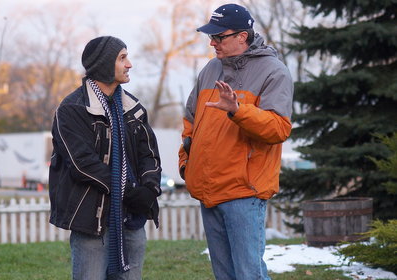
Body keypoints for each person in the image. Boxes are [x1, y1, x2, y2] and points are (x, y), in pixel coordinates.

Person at [178, 4, 293, 280]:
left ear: (242, 36)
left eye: (219, 36)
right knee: (225, 275)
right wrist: (186, 163)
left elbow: (279, 128)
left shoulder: (274, 72)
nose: (212, 42)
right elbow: (190, 122)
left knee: (248, 275)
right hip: (208, 191)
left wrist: (238, 110)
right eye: (211, 36)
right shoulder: (210, 69)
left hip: (244, 193)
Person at [48, 36, 162, 280]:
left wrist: (149, 189)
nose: (129, 64)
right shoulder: (72, 110)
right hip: (93, 222)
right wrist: (128, 190)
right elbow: (82, 164)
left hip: (132, 220)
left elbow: (149, 154)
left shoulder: (133, 107)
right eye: (122, 58)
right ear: (103, 65)